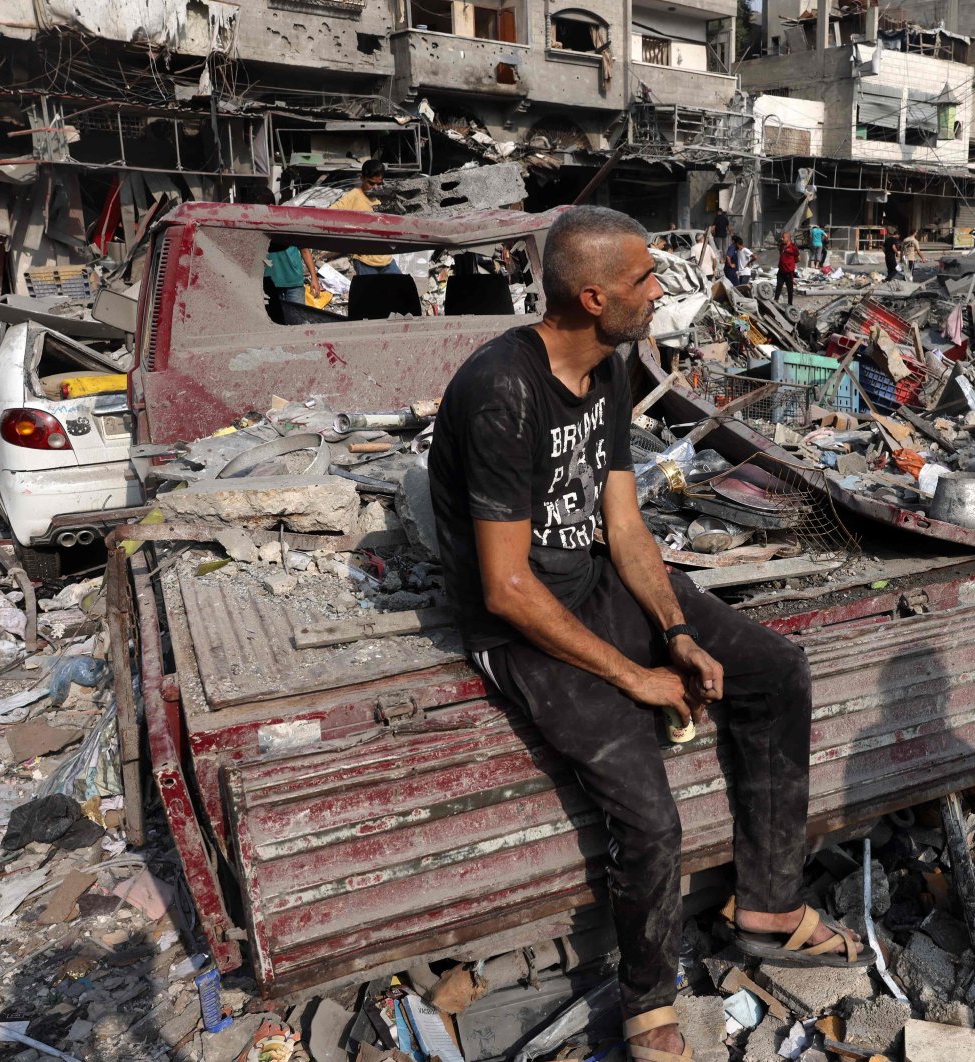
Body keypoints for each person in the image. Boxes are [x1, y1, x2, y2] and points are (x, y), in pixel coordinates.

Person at [426, 206, 872, 1062]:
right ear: (593, 296)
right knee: (649, 815)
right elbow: (507, 588)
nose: (659, 288)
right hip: (517, 623)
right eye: (643, 279)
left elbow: (624, 524)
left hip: (595, 579)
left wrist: (675, 632)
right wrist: (635, 681)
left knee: (775, 672)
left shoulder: (613, 368)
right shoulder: (501, 391)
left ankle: (770, 906)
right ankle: (646, 1004)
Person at [245, 185, 319, 321]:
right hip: (268, 284)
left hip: (293, 283)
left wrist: (314, 278)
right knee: (275, 321)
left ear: (271, 206)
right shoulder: (253, 227)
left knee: (298, 322)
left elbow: (304, 249)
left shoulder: (288, 222)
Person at [330, 159, 399, 275]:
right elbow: (330, 214)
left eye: (379, 184)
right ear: (362, 178)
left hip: (386, 260)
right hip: (364, 261)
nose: (375, 187)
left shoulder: (384, 197)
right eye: (371, 183)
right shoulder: (354, 196)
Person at [776, 231, 799, 306]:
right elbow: (780, 253)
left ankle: (790, 304)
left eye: (784, 237)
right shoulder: (782, 246)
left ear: (788, 238)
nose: (782, 238)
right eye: (782, 237)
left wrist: (790, 264)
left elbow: (798, 258)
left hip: (789, 271)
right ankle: (775, 300)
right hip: (781, 270)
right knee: (779, 285)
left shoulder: (793, 247)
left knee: (790, 288)